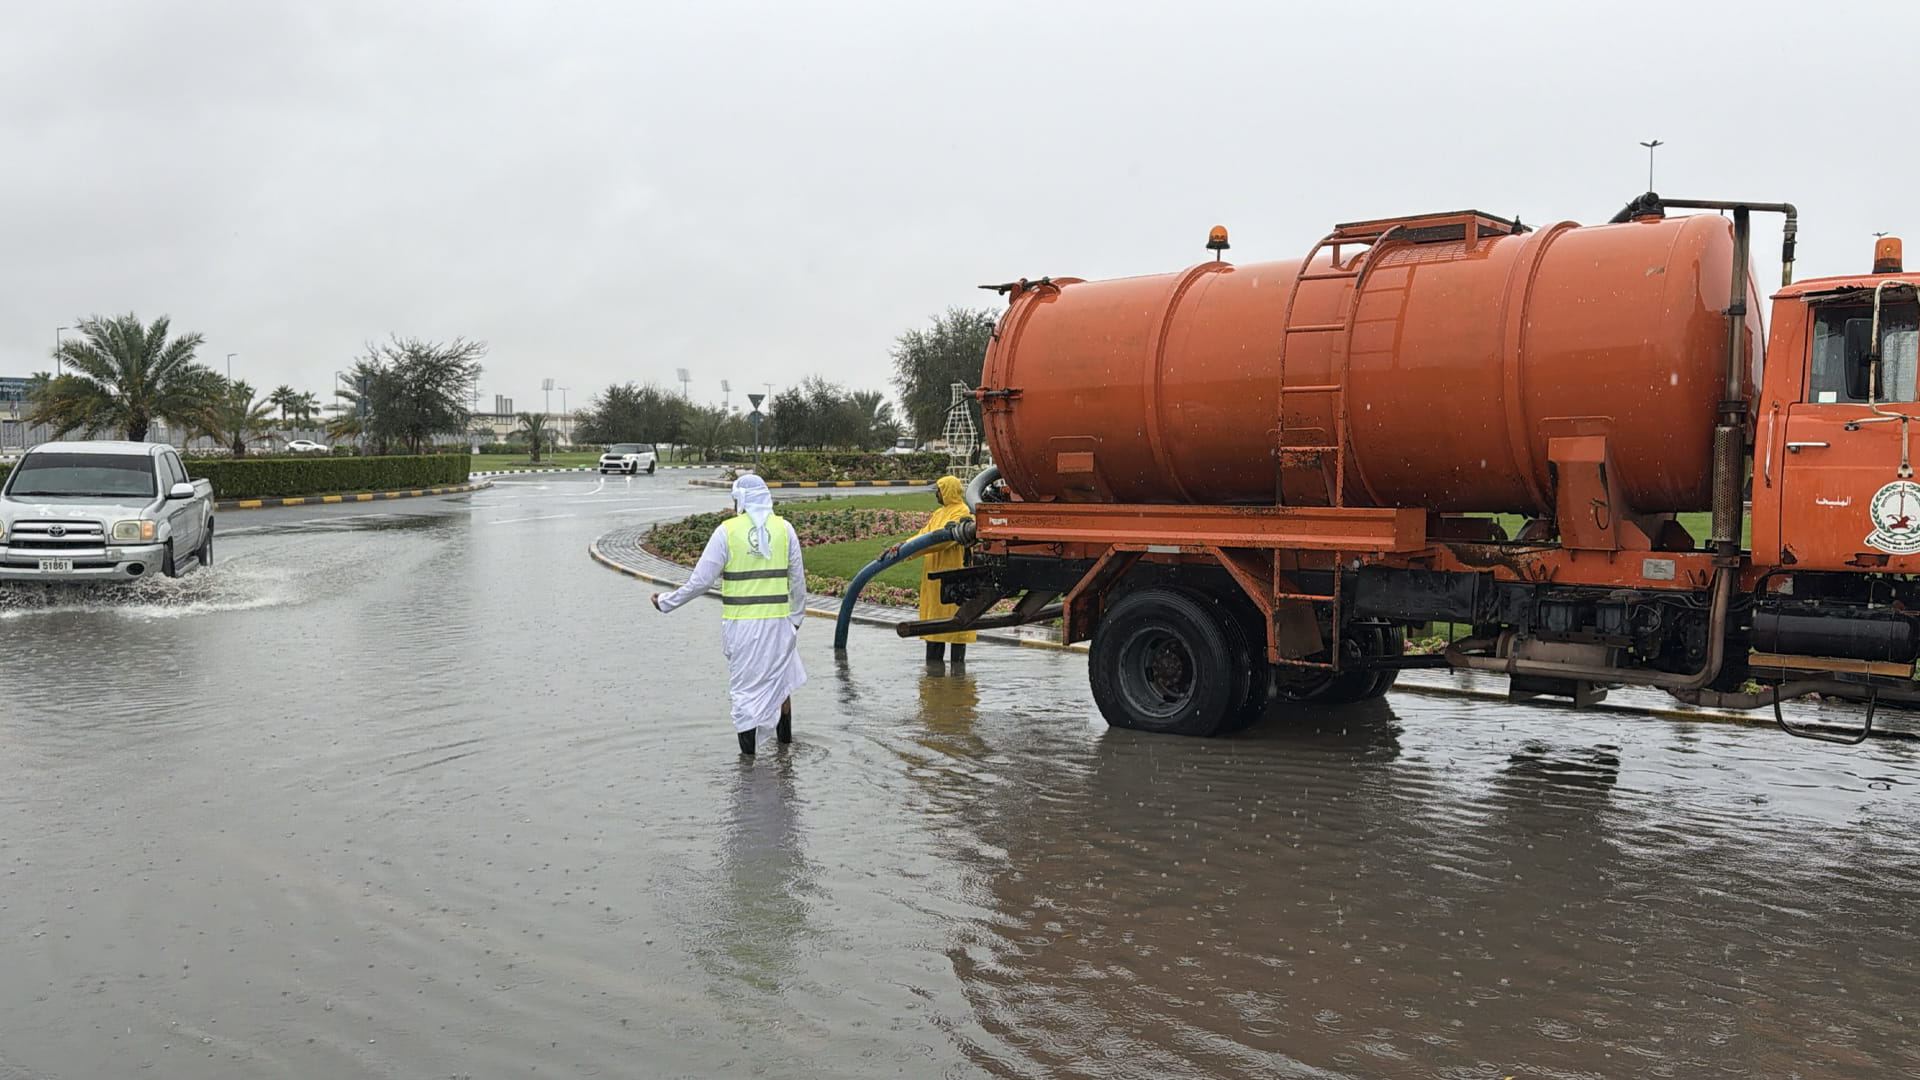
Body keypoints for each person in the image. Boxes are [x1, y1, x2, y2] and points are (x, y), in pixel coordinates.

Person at [652, 474, 807, 756]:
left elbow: (700, 582)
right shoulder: (786, 529)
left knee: (745, 694)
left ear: (741, 500)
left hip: (743, 629)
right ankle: (785, 756)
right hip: (780, 627)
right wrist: (795, 621)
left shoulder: (727, 531)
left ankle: (748, 765)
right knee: (781, 685)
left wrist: (666, 601)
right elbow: (798, 583)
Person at [886, 475, 976, 665]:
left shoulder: (962, 513)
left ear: (948, 491)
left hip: (954, 577)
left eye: (939, 490)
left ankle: (956, 680)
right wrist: (903, 546)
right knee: (934, 630)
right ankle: (935, 679)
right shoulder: (939, 513)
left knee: (955, 628)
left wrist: (910, 549)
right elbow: (924, 535)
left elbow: (941, 541)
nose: (936, 494)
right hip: (935, 575)